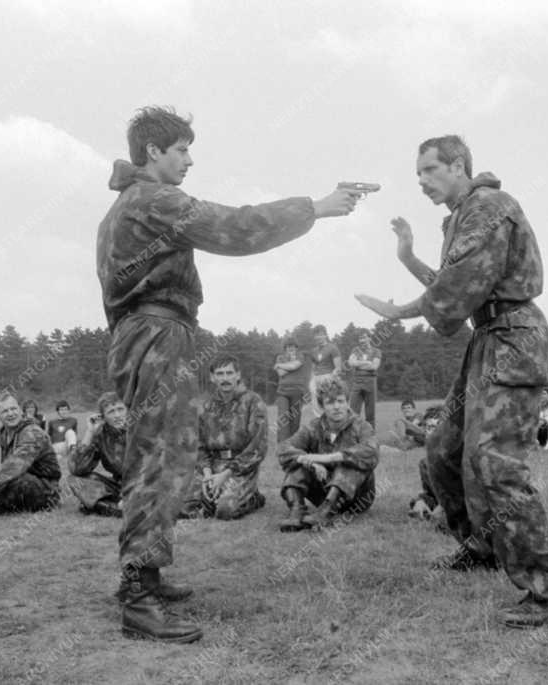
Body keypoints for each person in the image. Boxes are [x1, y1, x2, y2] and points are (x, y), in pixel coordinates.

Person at [96, 105, 359, 643]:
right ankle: (139, 596)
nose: (190, 160)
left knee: (159, 458)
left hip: (141, 334)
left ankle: (143, 577)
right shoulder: (152, 198)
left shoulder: (124, 205)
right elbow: (234, 228)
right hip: (157, 335)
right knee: (160, 462)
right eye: (182, 150)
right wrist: (315, 208)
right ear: (153, 152)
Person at [355, 134, 548, 628]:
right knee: (443, 449)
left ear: (458, 165)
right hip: (488, 338)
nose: (422, 182)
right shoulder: (463, 214)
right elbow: (453, 287)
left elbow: (454, 293)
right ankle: (480, 545)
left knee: (495, 462)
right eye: (418, 175)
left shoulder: (488, 206)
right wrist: (408, 258)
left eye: (430, 171)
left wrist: (398, 311)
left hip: (513, 338)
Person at [276, 376, 379, 532]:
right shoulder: (313, 427)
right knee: (298, 462)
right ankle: (296, 511)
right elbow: (283, 448)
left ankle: (326, 513)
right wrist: (310, 462)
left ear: (347, 402)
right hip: (323, 493)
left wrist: (327, 458)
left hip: (357, 497)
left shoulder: (361, 426)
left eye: (340, 401)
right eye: (330, 402)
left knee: (349, 462)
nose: (336, 407)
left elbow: (371, 452)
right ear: (322, 406)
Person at [185, 356, 267, 520]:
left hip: (240, 470)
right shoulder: (206, 406)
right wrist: (207, 474)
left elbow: (258, 448)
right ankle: (210, 499)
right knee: (184, 507)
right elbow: (199, 446)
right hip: (212, 468)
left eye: (229, 373)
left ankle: (253, 498)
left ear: (238, 375)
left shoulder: (253, 402)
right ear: (212, 377)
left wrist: (225, 475)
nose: (225, 378)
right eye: (220, 374)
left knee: (224, 510)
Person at [67, 392, 127, 518]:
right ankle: (114, 509)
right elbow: (77, 468)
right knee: (75, 480)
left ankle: (102, 506)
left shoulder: (142, 428)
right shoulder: (101, 434)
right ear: (103, 417)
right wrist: (90, 432)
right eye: (111, 412)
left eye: (120, 409)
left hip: (146, 484)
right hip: (120, 485)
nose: (117, 415)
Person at [273, 337, 309, 443]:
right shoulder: (280, 357)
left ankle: (292, 444)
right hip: (282, 392)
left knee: (295, 422)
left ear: (296, 347)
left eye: (293, 346)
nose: (291, 348)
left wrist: (280, 365)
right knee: (283, 419)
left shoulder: (300, 356)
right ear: (285, 348)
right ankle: (282, 446)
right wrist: (288, 366)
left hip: (297, 392)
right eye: (288, 346)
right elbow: (281, 373)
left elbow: (294, 366)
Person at [346, 331, 382, 427]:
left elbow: (374, 366)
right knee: (353, 412)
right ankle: (352, 436)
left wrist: (358, 364)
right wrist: (366, 363)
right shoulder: (356, 350)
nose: (362, 340)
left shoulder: (376, 351)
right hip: (357, 382)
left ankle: (371, 438)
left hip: (370, 382)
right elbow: (351, 363)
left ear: (370, 338)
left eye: (364, 337)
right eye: (360, 338)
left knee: (370, 413)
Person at [308, 325, 343, 416]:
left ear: (325, 335)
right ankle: (319, 420)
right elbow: (313, 367)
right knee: (316, 403)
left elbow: (338, 368)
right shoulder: (314, 351)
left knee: (328, 402)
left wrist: (332, 379)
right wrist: (312, 380)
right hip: (316, 378)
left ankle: (331, 421)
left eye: (320, 334)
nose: (318, 337)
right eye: (316, 335)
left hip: (328, 376)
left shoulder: (332, 348)